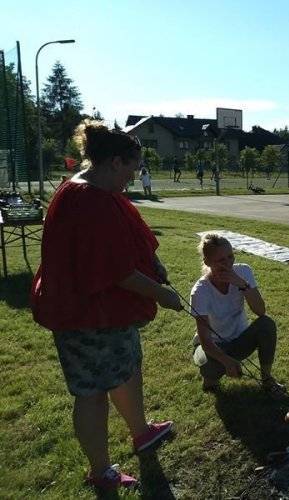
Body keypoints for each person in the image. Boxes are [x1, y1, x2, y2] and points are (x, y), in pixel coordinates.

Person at [30, 121, 182, 490]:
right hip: (84, 315)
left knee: (126, 370)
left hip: (107, 315)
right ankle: (101, 471)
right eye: (133, 167)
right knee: (91, 392)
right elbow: (117, 272)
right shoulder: (87, 200)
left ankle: (141, 432)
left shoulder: (97, 188)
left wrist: (155, 264)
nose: (134, 175)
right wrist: (162, 294)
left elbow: (128, 244)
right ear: (115, 162)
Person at [190, 233, 285, 395]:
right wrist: (227, 361)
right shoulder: (200, 291)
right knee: (210, 366)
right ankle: (210, 379)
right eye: (221, 261)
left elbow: (260, 311)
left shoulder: (243, 272)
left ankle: (267, 379)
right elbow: (205, 341)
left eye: (230, 256)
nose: (228, 264)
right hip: (212, 346)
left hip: (239, 340)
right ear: (207, 262)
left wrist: (242, 284)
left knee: (266, 325)